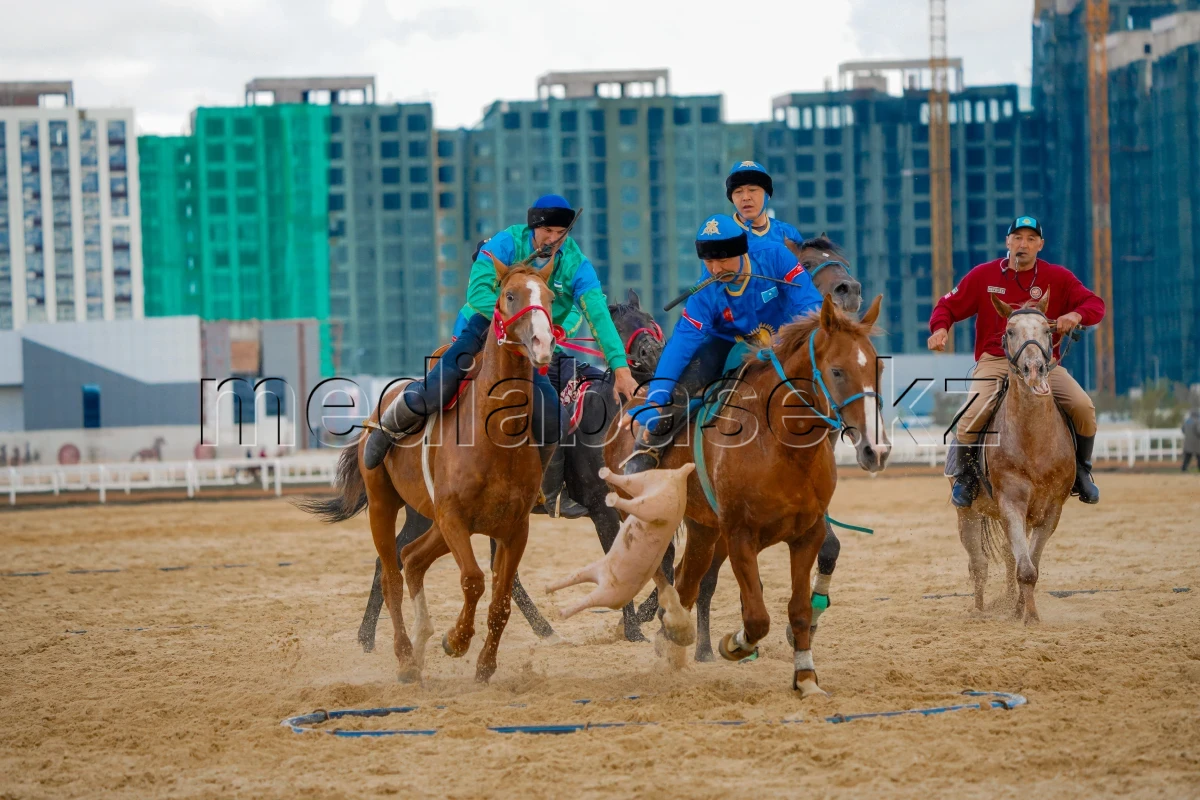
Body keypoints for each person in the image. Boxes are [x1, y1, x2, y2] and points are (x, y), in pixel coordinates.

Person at [363, 195, 638, 519]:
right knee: (441, 385)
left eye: (560, 233)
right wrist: (514, 320)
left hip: (529, 345)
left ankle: (546, 491)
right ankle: (387, 427)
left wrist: (620, 369)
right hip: (486, 325)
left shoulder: (577, 264)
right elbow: (477, 292)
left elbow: (598, 315)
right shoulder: (506, 242)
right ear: (533, 228)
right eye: (547, 231)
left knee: (555, 418)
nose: (553, 239)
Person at [622, 214, 823, 474]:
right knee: (681, 387)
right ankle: (648, 449)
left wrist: (784, 340)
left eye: (723, 260)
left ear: (742, 251)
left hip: (784, 339)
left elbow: (811, 305)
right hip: (725, 343)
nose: (716, 270)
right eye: (709, 261)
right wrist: (656, 400)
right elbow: (682, 342)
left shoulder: (775, 256)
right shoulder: (704, 290)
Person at [928, 215, 1106, 506]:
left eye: (1031, 239)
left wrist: (1076, 315)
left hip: (1043, 364)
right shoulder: (984, 276)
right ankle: (966, 477)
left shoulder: (1058, 277)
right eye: (1018, 238)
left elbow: (1095, 304)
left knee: (1083, 407)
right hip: (996, 360)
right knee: (971, 414)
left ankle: (1082, 472)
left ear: (1040, 245)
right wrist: (940, 329)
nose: (1024, 244)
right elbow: (947, 305)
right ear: (1007, 242)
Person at [725, 161, 805, 250]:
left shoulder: (788, 233)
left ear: (767, 195)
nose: (746, 197)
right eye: (738, 192)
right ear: (731, 198)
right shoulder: (721, 233)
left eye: (752, 190)